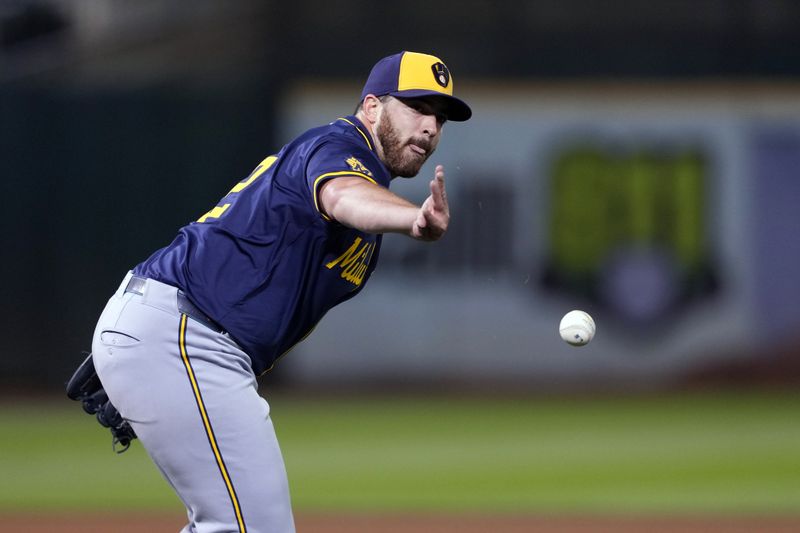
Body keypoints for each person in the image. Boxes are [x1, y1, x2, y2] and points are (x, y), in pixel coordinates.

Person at [86, 51, 471, 533]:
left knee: (235, 524)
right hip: (184, 335)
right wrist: (411, 219)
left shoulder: (359, 181)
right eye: (417, 106)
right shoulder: (336, 146)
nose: (431, 126)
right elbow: (343, 194)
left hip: (176, 337)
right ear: (372, 107)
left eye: (440, 116)